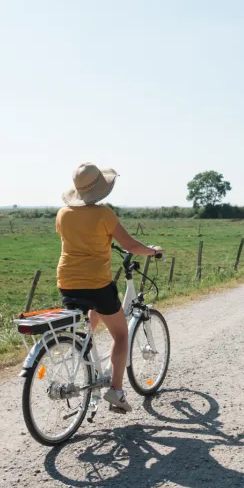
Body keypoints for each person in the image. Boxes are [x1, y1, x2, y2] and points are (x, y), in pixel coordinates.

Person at [56, 162, 163, 413]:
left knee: (87, 322)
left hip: (67, 281)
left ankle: (82, 358)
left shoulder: (63, 213)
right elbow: (130, 245)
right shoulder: (104, 214)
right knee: (121, 334)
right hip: (96, 283)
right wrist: (152, 251)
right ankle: (116, 391)